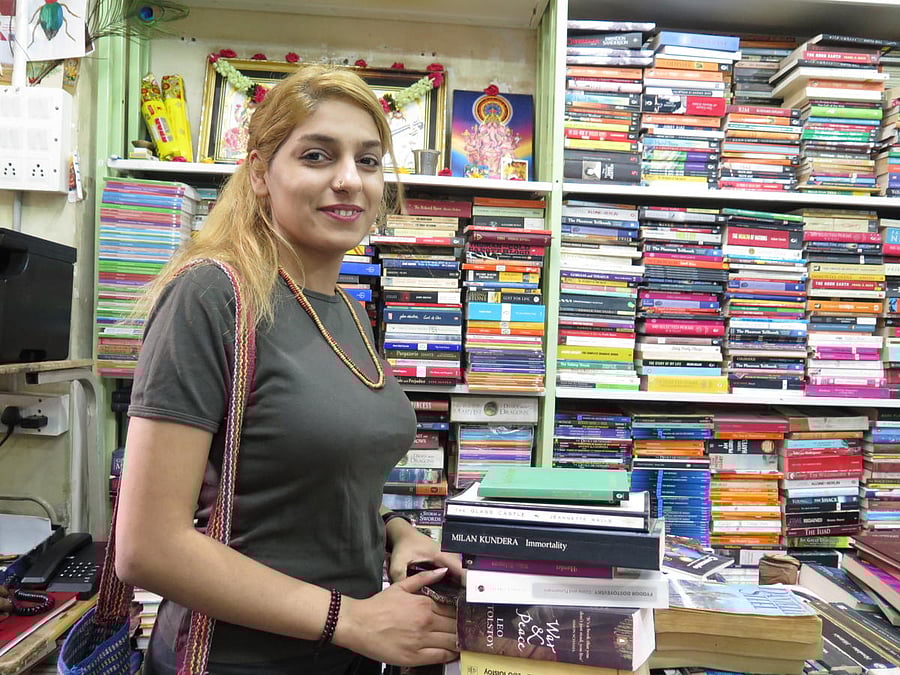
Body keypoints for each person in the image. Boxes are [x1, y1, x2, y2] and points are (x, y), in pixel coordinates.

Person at [115, 63, 462, 675]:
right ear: (258, 174)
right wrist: (352, 620)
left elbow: (306, 482)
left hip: (350, 657)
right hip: (236, 661)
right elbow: (146, 548)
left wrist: (397, 533)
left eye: (370, 160)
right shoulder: (212, 296)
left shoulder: (350, 313)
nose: (349, 180)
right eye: (317, 156)